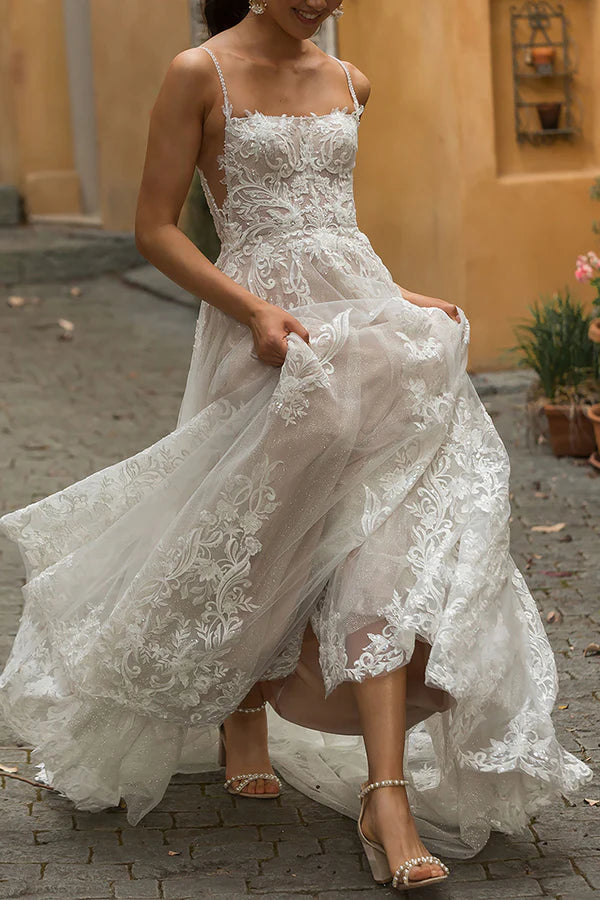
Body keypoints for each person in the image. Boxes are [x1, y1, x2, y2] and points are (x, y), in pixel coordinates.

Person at [0, 0, 593, 892]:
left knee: (378, 552)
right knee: (261, 535)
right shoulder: (197, 72)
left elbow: (336, 230)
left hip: (365, 333)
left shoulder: (352, 80)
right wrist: (254, 312)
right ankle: (242, 707)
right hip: (264, 338)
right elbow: (155, 227)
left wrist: (403, 299)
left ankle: (385, 796)